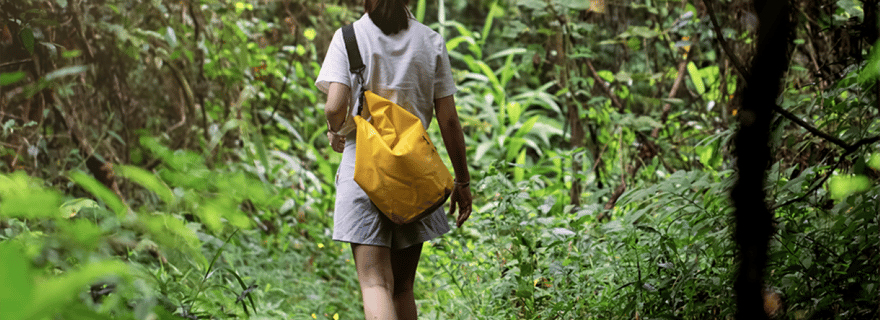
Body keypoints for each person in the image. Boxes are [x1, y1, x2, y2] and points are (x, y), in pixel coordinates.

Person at [314, 0, 472, 319]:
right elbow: (449, 119)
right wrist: (462, 180)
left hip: (364, 169)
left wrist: (334, 130)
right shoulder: (430, 41)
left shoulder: (349, 38)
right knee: (402, 286)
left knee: (375, 283)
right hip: (414, 171)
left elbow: (334, 106)